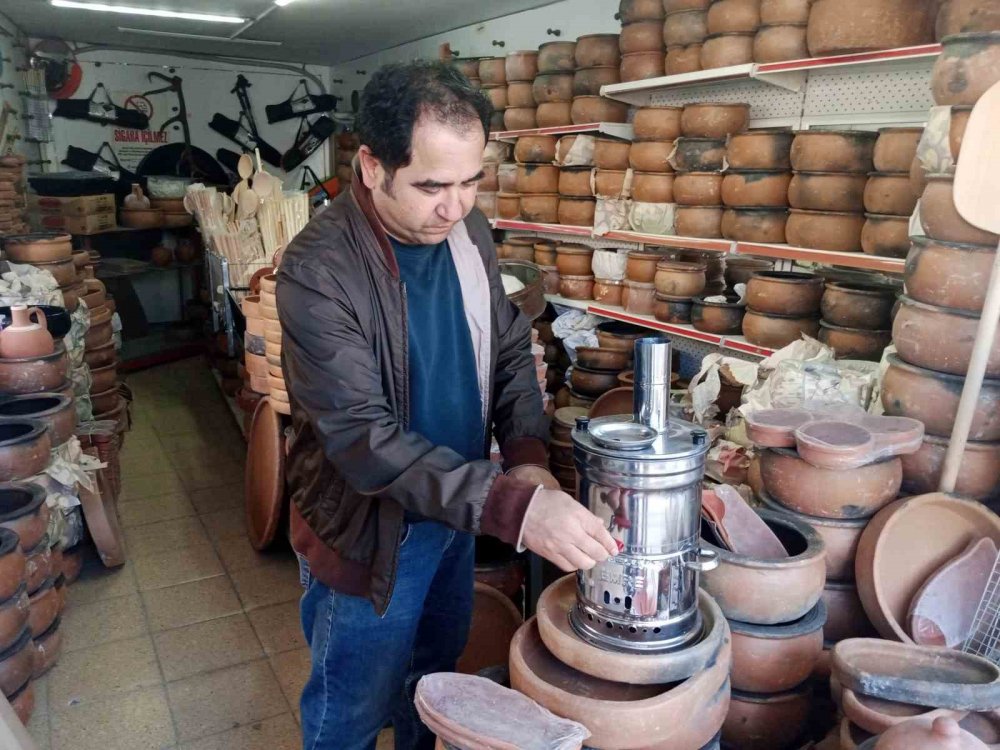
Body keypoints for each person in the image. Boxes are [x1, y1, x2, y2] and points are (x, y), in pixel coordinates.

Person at [275, 61, 617, 750]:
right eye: (432, 186)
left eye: (469, 182)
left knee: (432, 684)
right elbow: (364, 441)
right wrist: (514, 509)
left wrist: (525, 460)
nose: (454, 206)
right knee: (349, 710)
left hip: (457, 513)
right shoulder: (317, 272)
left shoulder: (467, 232)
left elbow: (510, 348)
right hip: (370, 533)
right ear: (371, 166)